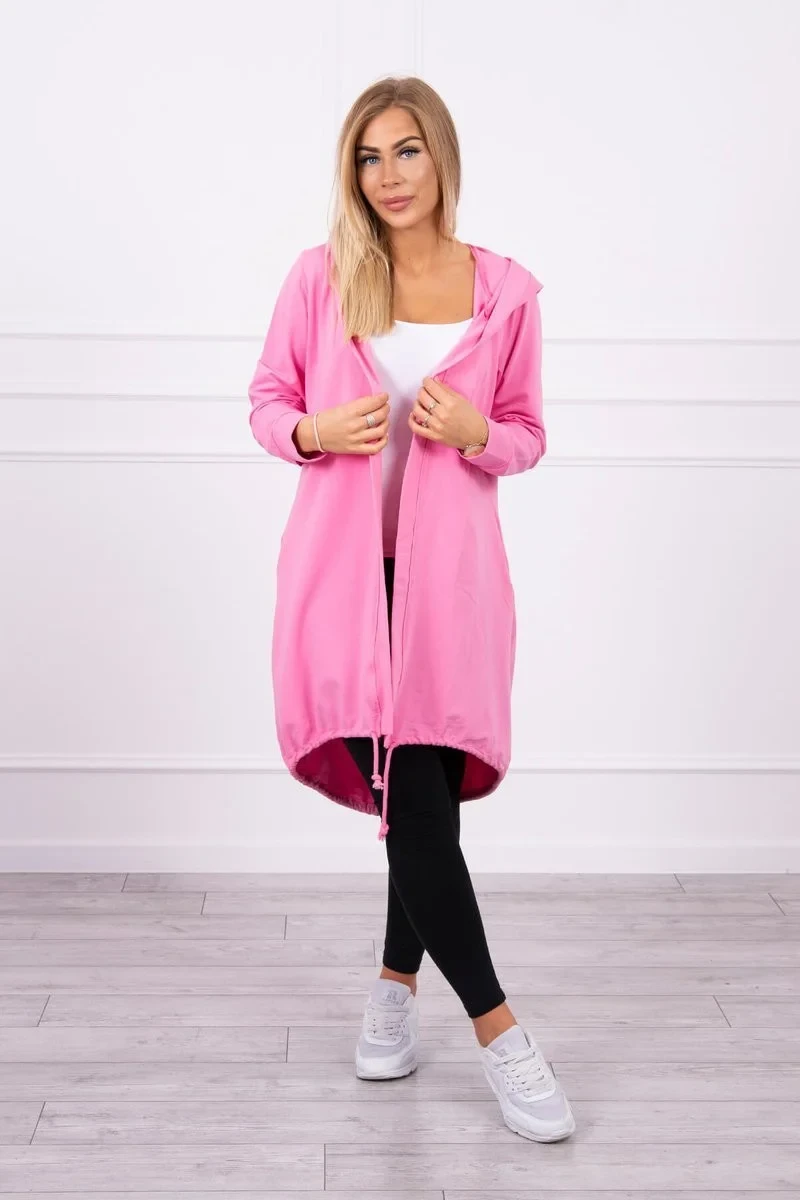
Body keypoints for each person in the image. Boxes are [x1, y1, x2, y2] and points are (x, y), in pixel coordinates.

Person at [247, 75, 576, 1143]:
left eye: (405, 151)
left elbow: (525, 434)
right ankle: (501, 1034)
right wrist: (312, 435)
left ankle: (394, 989)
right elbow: (266, 401)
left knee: (419, 800)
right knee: (415, 806)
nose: (387, 176)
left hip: (448, 589)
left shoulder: (504, 293)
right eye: (367, 157)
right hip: (342, 586)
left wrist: (477, 433)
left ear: (441, 156)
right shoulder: (320, 277)